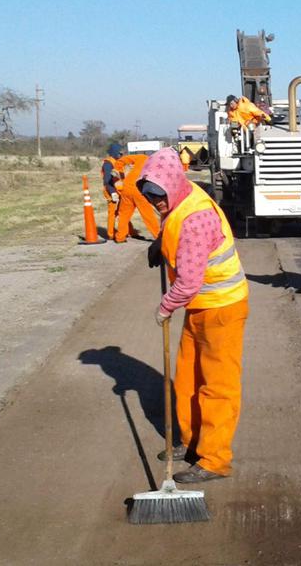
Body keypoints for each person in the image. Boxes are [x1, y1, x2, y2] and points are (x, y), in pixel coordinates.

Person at [139, 147, 249, 484]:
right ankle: (190, 440)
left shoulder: (197, 218)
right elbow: (173, 227)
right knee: (187, 378)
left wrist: (165, 307)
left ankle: (215, 459)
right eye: (148, 195)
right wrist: (160, 242)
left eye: (158, 195)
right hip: (201, 306)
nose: (155, 202)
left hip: (223, 307)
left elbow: (187, 283)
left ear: (172, 184)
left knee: (216, 385)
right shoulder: (179, 198)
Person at [114, 152, 160, 243]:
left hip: (126, 187)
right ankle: (158, 236)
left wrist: (119, 171)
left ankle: (120, 237)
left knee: (124, 214)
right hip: (139, 190)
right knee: (148, 215)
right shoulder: (157, 165)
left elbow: (121, 160)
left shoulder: (141, 157)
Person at [101, 144, 124, 240]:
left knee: (123, 212)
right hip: (112, 191)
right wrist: (112, 192)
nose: (121, 153)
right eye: (119, 151)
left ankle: (126, 231)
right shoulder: (108, 164)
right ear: (114, 151)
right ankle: (110, 234)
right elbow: (107, 180)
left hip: (120, 191)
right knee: (112, 213)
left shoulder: (117, 162)